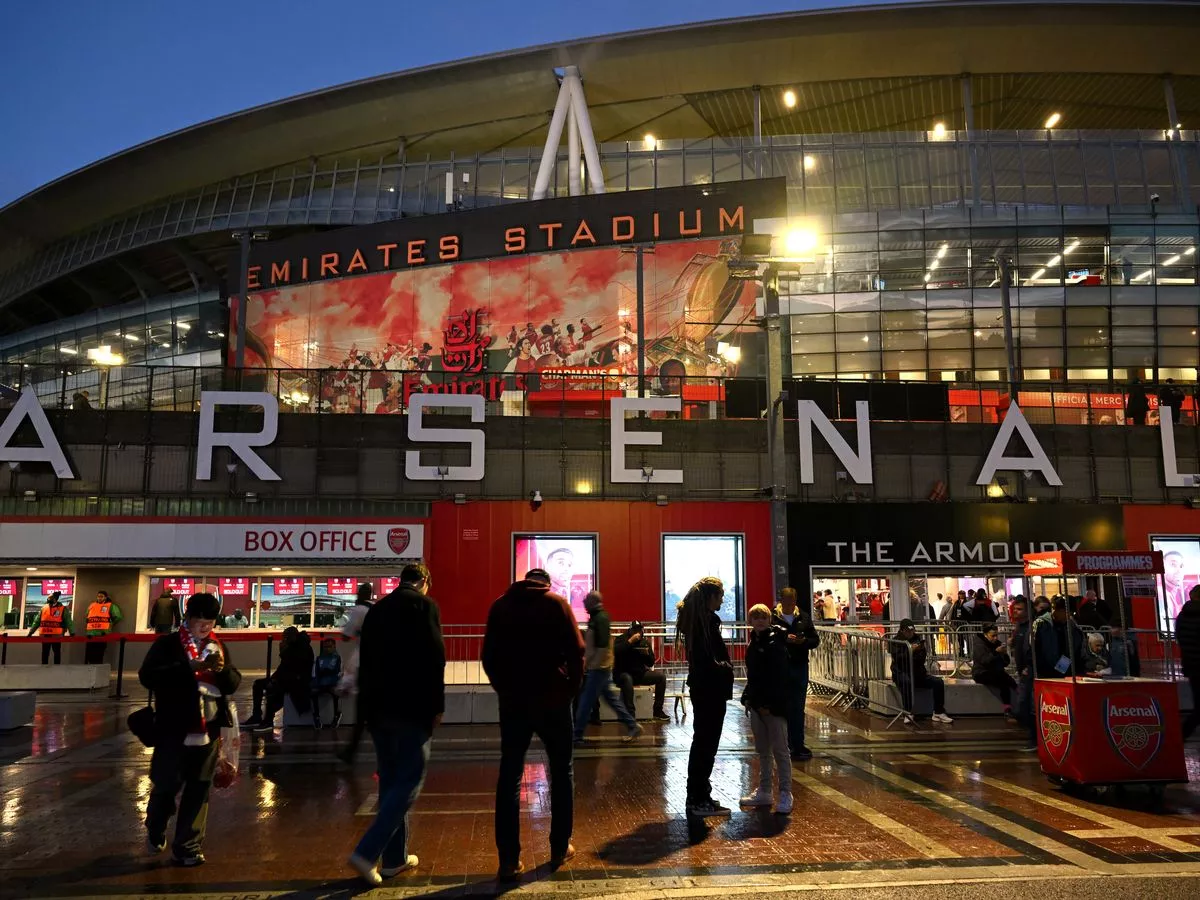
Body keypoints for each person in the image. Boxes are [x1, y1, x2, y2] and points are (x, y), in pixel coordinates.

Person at [483, 568, 584, 881]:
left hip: (514, 703)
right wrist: (570, 689)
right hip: (553, 699)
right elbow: (577, 651)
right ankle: (558, 847)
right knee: (561, 770)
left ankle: (509, 860)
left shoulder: (500, 606)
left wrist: (503, 688)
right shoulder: (557, 604)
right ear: (546, 583)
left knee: (510, 776)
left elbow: (488, 657)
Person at [346, 563, 444, 885]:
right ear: (425, 582)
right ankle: (367, 851)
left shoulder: (377, 611)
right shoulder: (424, 605)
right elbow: (433, 659)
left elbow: (367, 661)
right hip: (411, 708)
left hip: (378, 710)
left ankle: (394, 859)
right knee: (409, 782)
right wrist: (437, 706)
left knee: (389, 781)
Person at [138, 592, 241, 867]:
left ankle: (188, 846)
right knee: (167, 784)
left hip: (208, 728)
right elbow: (147, 676)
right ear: (187, 617)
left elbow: (232, 684)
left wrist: (222, 670)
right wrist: (187, 668)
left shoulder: (218, 646)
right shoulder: (168, 644)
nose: (205, 625)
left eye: (210, 620)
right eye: (199, 619)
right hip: (174, 726)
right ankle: (156, 824)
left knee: (199, 787)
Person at [683, 576, 734, 818]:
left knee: (703, 743)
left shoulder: (698, 621)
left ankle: (701, 794)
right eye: (720, 595)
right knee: (706, 744)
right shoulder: (704, 624)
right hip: (710, 690)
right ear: (711, 596)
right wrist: (725, 668)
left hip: (704, 689)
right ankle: (697, 798)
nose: (722, 600)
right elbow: (708, 660)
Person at [739, 604, 794, 814]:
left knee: (780, 750)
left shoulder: (776, 643)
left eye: (763, 617)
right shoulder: (754, 643)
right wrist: (749, 699)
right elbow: (754, 676)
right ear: (750, 621)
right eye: (756, 617)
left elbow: (779, 677)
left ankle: (785, 792)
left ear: (769, 619)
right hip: (758, 706)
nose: (759, 621)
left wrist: (767, 705)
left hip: (774, 707)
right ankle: (765, 789)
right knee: (763, 751)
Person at [573, 592, 642, 744]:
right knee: (611, 700)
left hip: (599, 668)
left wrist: (591, 665)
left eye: (587, 600)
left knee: (585, 702)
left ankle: (577, 736)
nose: (584, 602)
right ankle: (632, 725)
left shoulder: (600, 619)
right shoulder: (597, 617)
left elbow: (603, 646)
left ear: (593, 602)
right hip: (600, 668)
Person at [772, 586, 820, 760]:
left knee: (798, 708)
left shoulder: (804, 617)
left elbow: (815, 639)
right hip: (780, 667)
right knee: (781, 707)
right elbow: (768, 638)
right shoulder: (773, 617)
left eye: (793, 601)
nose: (790, 604)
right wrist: (784, 639)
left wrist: (804, 641)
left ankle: (797, 744)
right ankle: (782, 744)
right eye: (787, 600)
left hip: (799, 665)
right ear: (781, 600)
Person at [241, 627, 315, 732]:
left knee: (273, 689)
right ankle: (257, 716)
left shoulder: (302, 648)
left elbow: (293, 666)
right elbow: (284, 667)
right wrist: (273, 678)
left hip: (297, 681)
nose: (284, 640)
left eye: (285, 637)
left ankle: (267, 719)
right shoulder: (295, 646)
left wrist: (283, 651)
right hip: (288, 678)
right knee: (259, 684)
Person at [337, 582, 374, 763]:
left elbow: (345, 636)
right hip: (378, 660)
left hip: (364, 661)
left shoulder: (359, 609)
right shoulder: (375, 608)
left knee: (362, 710)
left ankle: (351, 752)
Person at [890, 619, 953, 725]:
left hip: (918, 673)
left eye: (912, 630)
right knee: (906, 683)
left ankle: (938, 711)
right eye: (907, 631)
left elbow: (921, 658)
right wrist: (911, 651)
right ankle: (908, 712)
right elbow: (899, 659)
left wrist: (912, 654)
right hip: (901, 673)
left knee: (938, 682)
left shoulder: (918, 641)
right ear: (902, 631)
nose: (910, 633)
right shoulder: (895, 642)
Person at [613, 621, 669, 721]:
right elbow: (616, 651)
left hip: (639, 674)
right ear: (630, 630)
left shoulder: (644, 642)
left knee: (661, 677)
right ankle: (630, 714)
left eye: (640, 630)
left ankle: (657, 710)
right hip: (622, 674)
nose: (638, 633)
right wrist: (630, 642)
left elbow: (651, 663)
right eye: (635, 630)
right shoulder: (621, 639)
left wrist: (646, 654)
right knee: (627, 679)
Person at [1008, 597, 1037, 751]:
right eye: (1015, 608)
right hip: (1023, 672)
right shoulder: (1019, 627)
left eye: (1019, 609)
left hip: (1029, 673)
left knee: (1025, 707)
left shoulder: (1032, 627)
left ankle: (1035, 738)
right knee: (1023, 707)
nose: (1015, 611)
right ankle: (1034, 736)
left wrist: (1029, 666)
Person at [971, 623, 1017, 714]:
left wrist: (1003, 654)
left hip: (995, 671)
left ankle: (1013, 698)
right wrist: (996, 652)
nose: (995, 638)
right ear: (985, 635)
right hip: (981, 672)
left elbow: (1006, 663)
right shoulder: (979, 645)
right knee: (1003, 678)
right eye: (993, 636)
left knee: (1004, 677)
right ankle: (1008, 706)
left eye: (996, 635)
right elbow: (985, 661)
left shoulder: (997, 643)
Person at [1177, 585, 1200, 741]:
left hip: (1192, 664)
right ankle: (1183, 732)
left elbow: (1180, 638)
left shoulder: (1182, 616)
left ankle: (1183, 732)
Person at [28, 591, 72, 664]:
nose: (48, 599)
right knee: (45, 653)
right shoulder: (44, 608)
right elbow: (37, 621)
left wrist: (72, 632)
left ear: (55, 599)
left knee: (57, 653)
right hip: (45, 635)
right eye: (48, 597)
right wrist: (31, 632)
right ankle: (44, 669)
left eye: (50, 597)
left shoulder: (62, 609)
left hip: (57, 635)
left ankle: (57, 670)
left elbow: (68, 621)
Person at [311, 637, 343, 730]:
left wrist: (335, 678)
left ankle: (337, 715)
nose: (327, 648)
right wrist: (316, 683)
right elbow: (315, 673)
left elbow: (341, 672)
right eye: (325, 647)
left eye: (329, 646)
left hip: (333, 683)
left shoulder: (338, 658)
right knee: (313, 693)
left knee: (336, 693)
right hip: (321, 683)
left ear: (334, 646)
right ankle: (316, 717)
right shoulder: (319, 658)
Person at [84, 589, 123, 664]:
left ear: (105, 597)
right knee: (89, 654)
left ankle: (98, 671)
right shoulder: (92, 605)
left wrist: (111, 624)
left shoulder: (110, 606)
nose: (99, 598)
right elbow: (87, 616)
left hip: (102, 633)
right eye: (98, 596)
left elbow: (118, 616)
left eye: (101, 596)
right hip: (91, 633)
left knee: (99, 654)